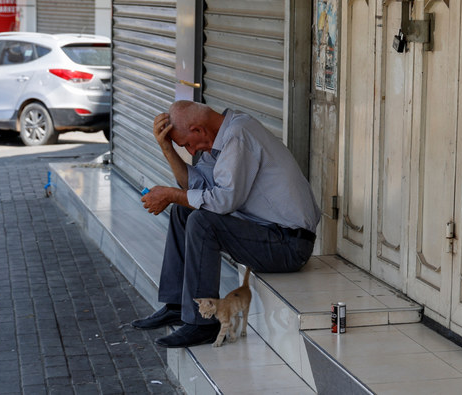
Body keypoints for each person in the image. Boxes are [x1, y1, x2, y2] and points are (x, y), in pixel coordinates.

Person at [132, 100, 321, 348]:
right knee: (183, 210)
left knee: (202, 221)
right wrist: (167, 148)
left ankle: (202, 324)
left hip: (289, 246)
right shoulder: (222, 135)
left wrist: (169, 194)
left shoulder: (238, 137)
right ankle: (178, 305)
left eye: (187, 144)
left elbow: (223, 202)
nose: (190, 152)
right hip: (269, 234)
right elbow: (194, 188)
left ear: (199, 130)